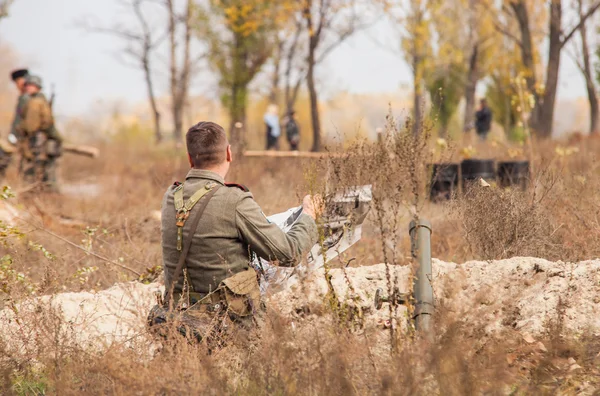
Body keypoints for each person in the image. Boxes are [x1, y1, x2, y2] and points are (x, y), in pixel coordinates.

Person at [150, 121, 319, 344]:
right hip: (225, 324)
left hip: (177, 314)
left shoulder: (171, 196)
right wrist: (309, 214)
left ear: (190, 158)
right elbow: (288, 253)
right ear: (229, 153)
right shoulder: (234, 200)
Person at [16, 75, 62, 190]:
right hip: (35, 139)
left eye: (31, 85)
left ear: (37, 87)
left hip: (37, 139)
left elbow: (43, 123)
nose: (28, 88)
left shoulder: (37, 102)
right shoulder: (35, 101)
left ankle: (40, 193)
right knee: (40, 169)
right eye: (27, 85)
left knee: (38, 169)